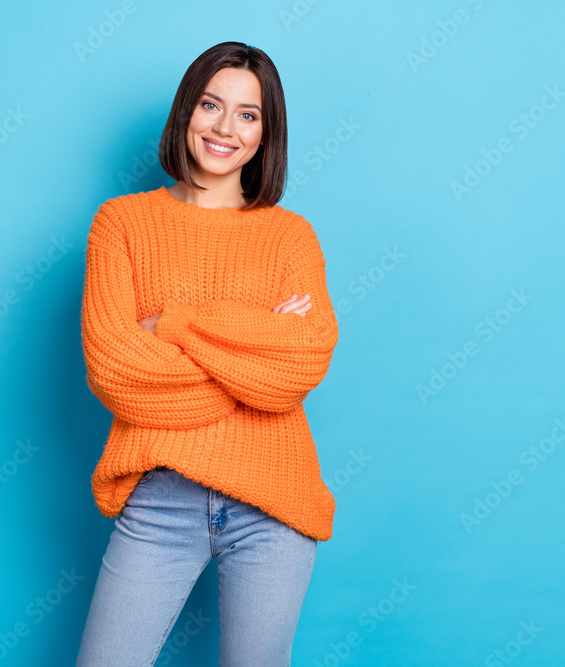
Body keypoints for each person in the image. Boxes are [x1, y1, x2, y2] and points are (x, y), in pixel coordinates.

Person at [76, 40, 339, 666]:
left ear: (266, 132)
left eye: (248, 114)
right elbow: (117, 371)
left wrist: (173, 323)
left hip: (274, 503)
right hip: (162, 499)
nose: (225, 128)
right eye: (211, 105)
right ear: (185, 113)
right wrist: (253, 344)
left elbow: (299, 369)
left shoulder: (289, 235)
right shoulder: (121, 224)